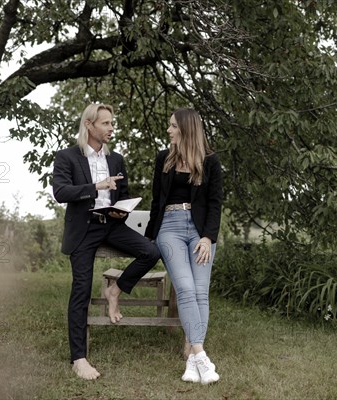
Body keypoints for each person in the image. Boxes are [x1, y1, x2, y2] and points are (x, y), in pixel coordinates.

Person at [52, 103, 161, 380]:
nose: (111, 128)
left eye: (112, 123)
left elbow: (121, 193)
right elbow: (61, 192)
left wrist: (119, 208)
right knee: (81, 291)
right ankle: (79, 359)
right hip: (84, 230)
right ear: (89, 125)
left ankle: (116, 289)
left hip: (111, 225)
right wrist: (96, 188)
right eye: (106, 123)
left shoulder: (116, 159)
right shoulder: (67, 157)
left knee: (151, 251)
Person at [145, 108, 223, 384]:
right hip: (170, 229)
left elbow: (215, 204)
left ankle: (191, 359)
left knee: (201, 292)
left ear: (186, 129)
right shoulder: (163, 160)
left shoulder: (211, 162)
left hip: (200, 232)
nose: (169, 131)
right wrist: (150, 237)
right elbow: (157, 202)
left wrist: (208, 237)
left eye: (173, 126)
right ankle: (201, 355)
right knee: (186, 289)